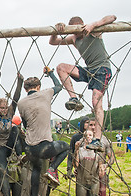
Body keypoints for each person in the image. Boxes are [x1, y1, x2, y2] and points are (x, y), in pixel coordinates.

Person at [49, 15, 117, 152]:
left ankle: (97, 139)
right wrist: (56, 30)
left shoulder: (93, 31)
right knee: (61, 67)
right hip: (89, 71)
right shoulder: (74, 39)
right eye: (72, 32)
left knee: (96, 102)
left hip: (102, 70)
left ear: (82, 25)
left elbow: (112, 17)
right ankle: (74, 98)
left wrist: (94, 24)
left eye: (77, 30)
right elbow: (53, 42)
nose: (76, 34)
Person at [17, 67, 69, 196]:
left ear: (26, 89)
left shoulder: (21, 102)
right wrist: (50, 73)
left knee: (36, 168)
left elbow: (25, 124)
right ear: (38, 87)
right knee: (66, 146)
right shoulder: (45, 93)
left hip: (29, 147)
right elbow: (59, 86)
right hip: (44, 145)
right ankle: (53, 168)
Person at [72, 130, 104, 196]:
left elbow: (101, 167)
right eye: (86, 135)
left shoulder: (98, 152)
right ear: (84, 138)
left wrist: (101, 169)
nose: (88, 137)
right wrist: (76, 150)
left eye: (90, 135)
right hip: (81, 181)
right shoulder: (80, 151)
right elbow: (75, 164)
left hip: (94, 182)